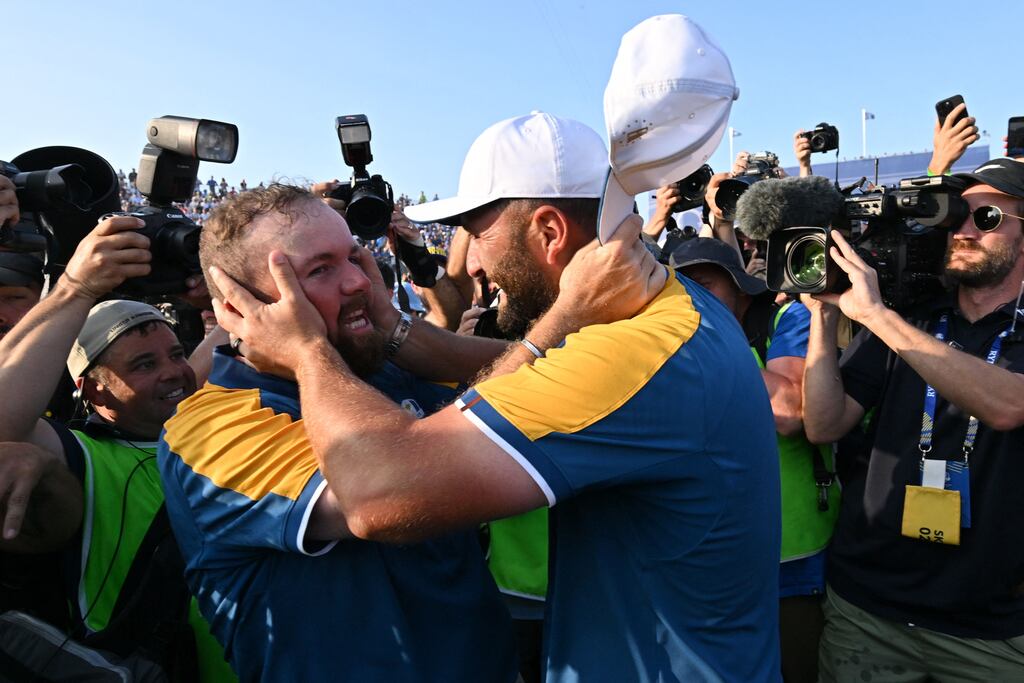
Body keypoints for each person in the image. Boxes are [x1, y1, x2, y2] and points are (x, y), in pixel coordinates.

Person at [210, 112, 782, 683]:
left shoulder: (628, 352)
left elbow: (381, 492)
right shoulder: (671, 307)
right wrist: (399, 336)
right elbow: (507, 374)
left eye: (478, 234)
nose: (472, 261)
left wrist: (307, 350)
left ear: (550, 233)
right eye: (321, 269)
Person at [158, 183, 520, 683]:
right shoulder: (208, 427)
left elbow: (537, 376)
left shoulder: (378, 371)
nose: (358, 282)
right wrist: (306, 350)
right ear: (242, 307)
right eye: (320, 270)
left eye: (354, 256)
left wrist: (396, 330)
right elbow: (391, 493)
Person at [803, 157, 1024, 681]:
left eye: (986, 218)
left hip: (989, 628)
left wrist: (879, 318)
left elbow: (1008, 406)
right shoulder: (916, 317)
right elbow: (824, 425)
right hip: (868, 607)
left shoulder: (894, 321)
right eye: (953, 219)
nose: (963, 232)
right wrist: (825, 314)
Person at [0, 215, 234, 681]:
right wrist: (76, 289)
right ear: (93, 392)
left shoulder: (197, 422)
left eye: (174, 353)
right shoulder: (77, 453)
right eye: (144, 365)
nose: (174, 372)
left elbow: (234, 329)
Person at [671, 237, 839, 683]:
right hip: (708, 558)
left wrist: (704, 341)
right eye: (679, 286)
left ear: (741, 290)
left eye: (704, 285)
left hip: (789, 555)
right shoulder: (660, 337)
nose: (691, 298)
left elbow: (789, 413)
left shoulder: (787, 317)